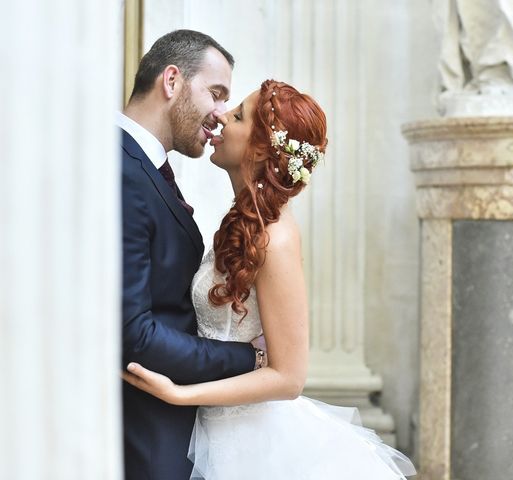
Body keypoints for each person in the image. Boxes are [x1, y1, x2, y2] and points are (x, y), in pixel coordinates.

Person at [123, 79, 416, 479]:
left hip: (249, 442)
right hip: (201, 425)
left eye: (238, 114)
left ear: (260, 149)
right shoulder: (241, 223)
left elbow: (289, 377)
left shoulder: (276, 239)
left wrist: (181, 394)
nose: (222, 116)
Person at [118, 29, 266, 480]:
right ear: (171, 81)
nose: (221, 114)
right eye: (216, 93)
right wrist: (249, 359)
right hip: (144, 431)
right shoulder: (121, 168)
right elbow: (134, 332)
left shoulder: (145, 166)